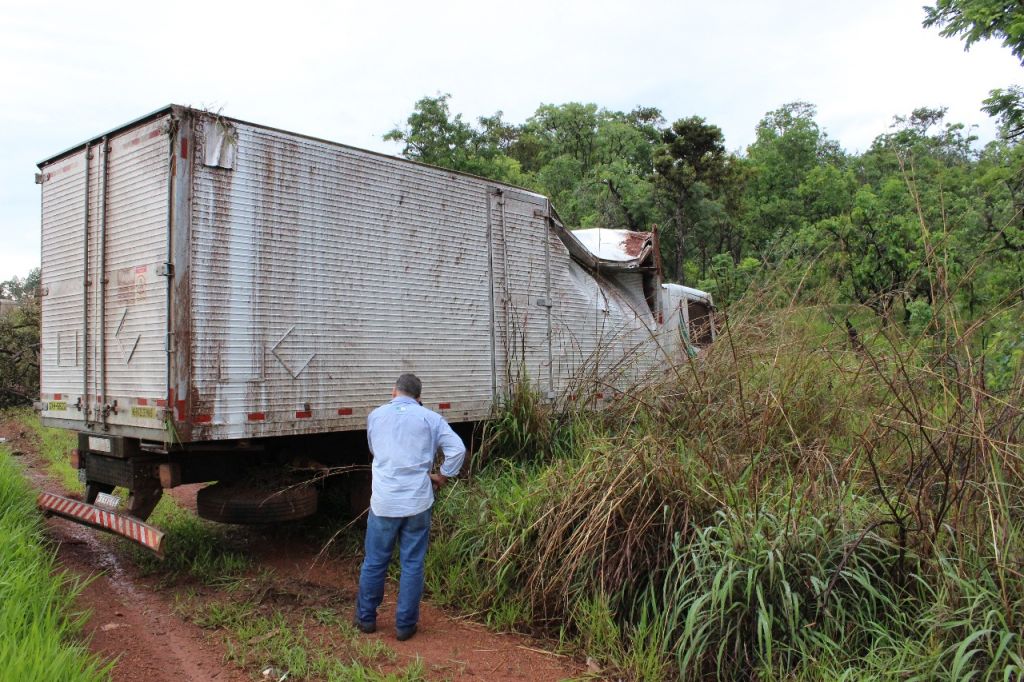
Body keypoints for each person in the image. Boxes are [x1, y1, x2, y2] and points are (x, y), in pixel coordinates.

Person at [354, 373, 466, 641]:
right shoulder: (430, 418)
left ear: (394, 392)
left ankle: (366, 620)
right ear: (419, 398)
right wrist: (443, 475)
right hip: (417, 503)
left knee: (375, 561)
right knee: (412, 563)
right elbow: (458, 450)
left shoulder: (376, 416)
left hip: (384, 502)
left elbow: (375, 450)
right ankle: (405, 626)